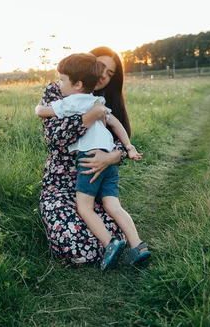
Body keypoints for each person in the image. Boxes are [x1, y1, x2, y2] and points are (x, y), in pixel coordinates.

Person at [38, 46, 150, 267]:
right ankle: (123, 247)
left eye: (109, 74)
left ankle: (119, 246)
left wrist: (113, 156)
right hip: (60, 185)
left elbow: (119, 137)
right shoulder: (59, 91)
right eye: (100, 68)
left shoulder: (103, 100)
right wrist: (93, 115)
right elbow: (56, 137)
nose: (102, 76)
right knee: (72, 237)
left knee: (108, 226)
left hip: (93, 181)